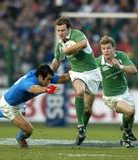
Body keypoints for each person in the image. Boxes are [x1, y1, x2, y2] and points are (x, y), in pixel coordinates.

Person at [0, 64, 70, 148]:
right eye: (48, 79)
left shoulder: (42, 75)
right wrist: (46, 89)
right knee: (28, 130)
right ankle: (20, 138)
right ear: (40, 77)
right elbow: (32, 89)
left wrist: (75, 72)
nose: (49, 82)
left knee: (22, 115)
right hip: (8, 104)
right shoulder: (29, 82)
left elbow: (63, 78)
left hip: (19, 101)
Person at [51, 17, 101, 145]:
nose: (61, 33)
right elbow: (57, 60)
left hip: (92, 73)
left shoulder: (77, 34)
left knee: (88, 109)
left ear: (69, 29)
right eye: (58, 30)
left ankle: (83, 129)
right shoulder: (60, 44)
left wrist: (68, 50)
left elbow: (83, 44)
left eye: (63, 30)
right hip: (77, 72)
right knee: (79, 92)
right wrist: (50, 73)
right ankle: (79, 126)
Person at [95, 35, 138, 148]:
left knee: (131, 114)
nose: (106, 51)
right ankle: (126, 129)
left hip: (125, 92)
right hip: (111, 97)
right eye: (103, 48)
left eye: (108, 48)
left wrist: (120, 67)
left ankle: (125, 139)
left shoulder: (121, 56)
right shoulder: (98, 62)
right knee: (129, 111)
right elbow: (87, 72)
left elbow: (134, 70)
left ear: (114, 48)